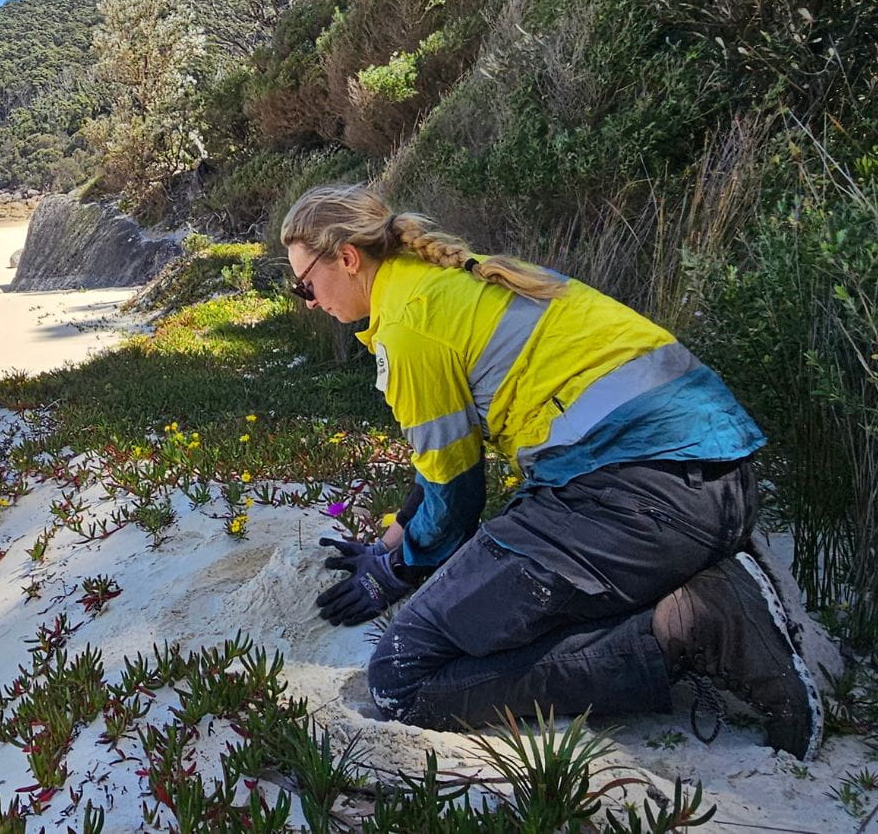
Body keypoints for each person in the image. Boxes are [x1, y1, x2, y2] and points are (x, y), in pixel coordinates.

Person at [282, 184, 821, 759]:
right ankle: (703, 585)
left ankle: (697, 625)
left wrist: (396, 572)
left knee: (402, 677)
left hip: (639, 503)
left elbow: (456, 496)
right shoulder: (455, 278)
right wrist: (391, 544)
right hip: (718, 490)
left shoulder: (409, 327)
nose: (308, 302)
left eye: (304, 285)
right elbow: (440, 464)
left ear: (347, 258)